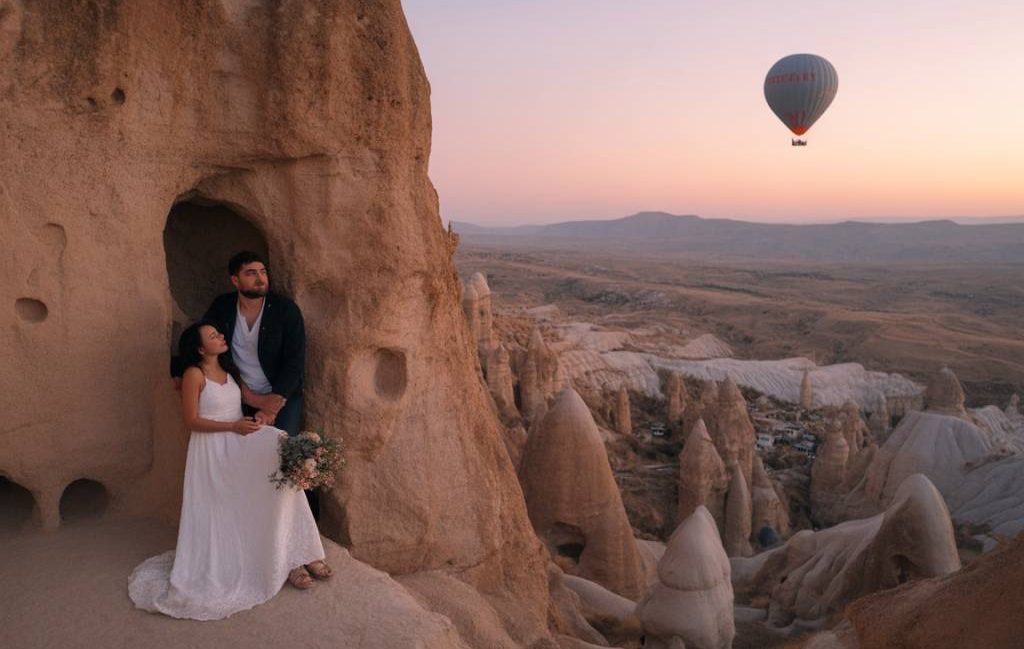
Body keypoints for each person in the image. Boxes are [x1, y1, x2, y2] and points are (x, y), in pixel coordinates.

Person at [128, 321, 332, 620]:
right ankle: (289, 560)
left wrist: (270, 410)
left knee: (281, 453)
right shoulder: (193, 375)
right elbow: (191, 421)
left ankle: (298, 554)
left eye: (219, 333)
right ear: (200, 348)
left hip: (239, 439)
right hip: (213, 449)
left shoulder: (229, 370)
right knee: (271, 466)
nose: (221, 336)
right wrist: (233, 426)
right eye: (213, 336)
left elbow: (249, 401)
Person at [203, 251, 306, 436]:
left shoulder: (285, 310)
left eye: (263, 272)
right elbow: (204, 341)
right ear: (235, 280)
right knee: (241, 453)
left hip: (281, 395)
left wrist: (270, 407)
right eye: (251, 273)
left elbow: (295, 360)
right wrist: (249, 397)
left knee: (282, 453)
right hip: (238, 394)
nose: (260, 278)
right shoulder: (223, 307)